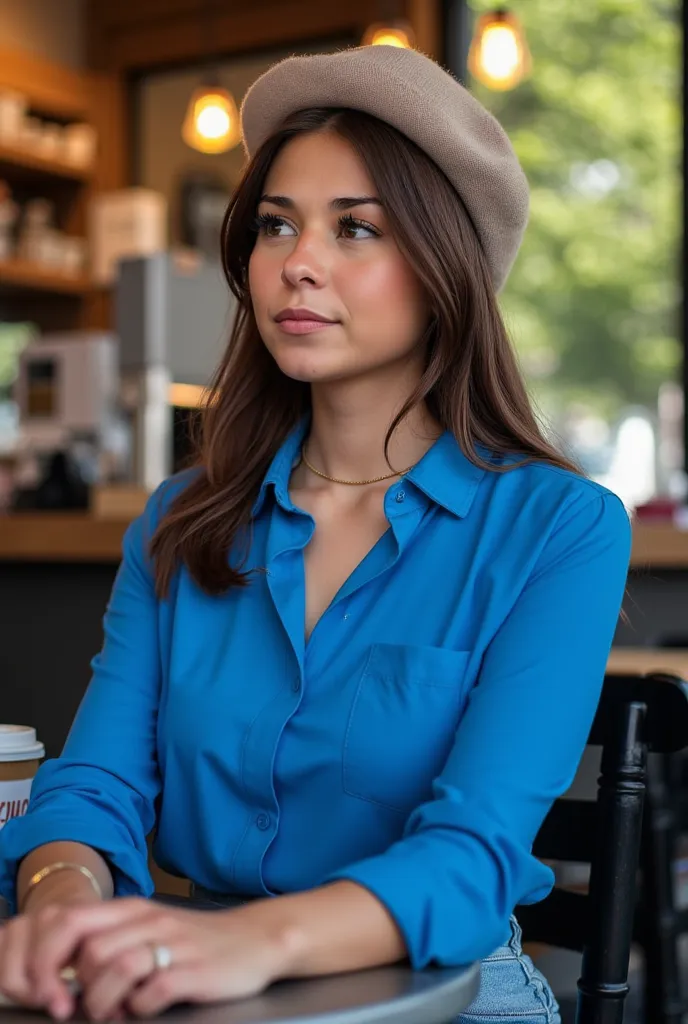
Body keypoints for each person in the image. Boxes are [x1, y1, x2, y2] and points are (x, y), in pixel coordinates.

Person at [0, 44, 630, 1024]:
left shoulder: (559, 528)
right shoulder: (180, 520)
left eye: (355, 229)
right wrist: (62, 898)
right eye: (276, 225)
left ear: (443, 267)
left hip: (444, 995)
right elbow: (96, 781)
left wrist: (248, 940)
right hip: (186, 979)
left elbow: (473, 855)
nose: (297, 261)